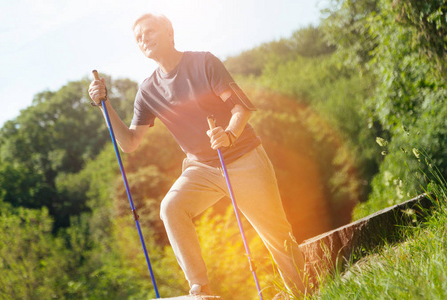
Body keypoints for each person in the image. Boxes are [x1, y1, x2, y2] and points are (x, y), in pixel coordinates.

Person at [88, 13, 307, 298]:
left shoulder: (204, 62)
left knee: (277, 236)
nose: (144, 40)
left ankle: (305, 293)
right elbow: (129, 143)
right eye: (139, 38)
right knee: (171, 208)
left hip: (243, 158)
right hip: (200, 167)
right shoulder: (147, 90)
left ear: (169, 31)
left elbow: (242, 108)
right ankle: (199, 287)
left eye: (149, 32)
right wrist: (105, 107)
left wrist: (228, 133)